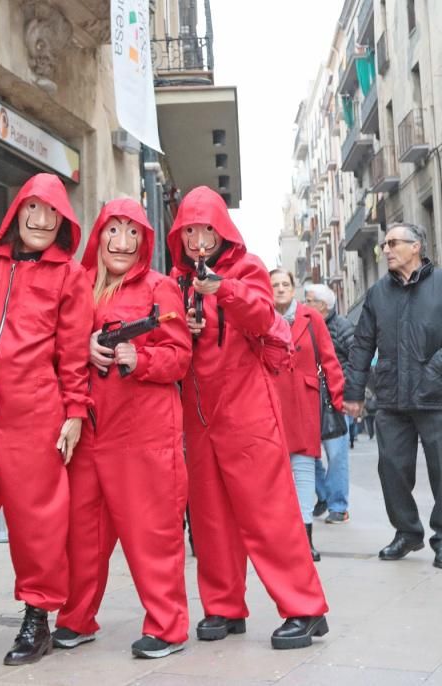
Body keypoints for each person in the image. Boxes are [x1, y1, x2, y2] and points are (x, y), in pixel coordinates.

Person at [168, 186, 329, 650]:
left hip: (247, 407)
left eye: (206, 229)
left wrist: (226, 290)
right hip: (198, 413)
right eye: (190, 231)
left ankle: (305, 607)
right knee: (210, 515)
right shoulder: (176, 281)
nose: (198, 239)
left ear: (222, 231)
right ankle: (223, 605)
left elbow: (263, 319)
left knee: (268, 512)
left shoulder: (247, 269)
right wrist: (187, 324)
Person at [0, 173, 92, 665]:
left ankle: (37, 618)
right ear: (18, 214)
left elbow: (73, 353)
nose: (42, 220)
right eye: (34, 210)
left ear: (62, 222)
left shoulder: (69, 276)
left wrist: (74, 411)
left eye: (52, 213)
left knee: (38, 523)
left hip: (35, 414)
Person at [53, 199, 191, 659]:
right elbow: (56, 342)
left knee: (152, 533)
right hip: (89, 428)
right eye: (114, 230)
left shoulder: (161, 287)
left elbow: (181, 357)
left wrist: (143, 358)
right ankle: (76, 618)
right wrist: (84, 346)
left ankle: (167, 627)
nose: (123, 242)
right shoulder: (79, 284)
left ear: (145, 242)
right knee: (82, 533)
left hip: (145, 434)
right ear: (99, 235)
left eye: (134, 233)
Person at [343, 223, 442, 570]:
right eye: (384, 244)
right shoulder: (377, 293)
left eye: (393, 243)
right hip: (390, 397)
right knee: (392, 470)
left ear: (416, 247)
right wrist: (354, 392)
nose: (385, 249)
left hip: (436, 396)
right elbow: (361, 346)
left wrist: (434, 371)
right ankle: (407, 533)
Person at [271, 270, 345, 562]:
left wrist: (340, 401)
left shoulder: (311, 318)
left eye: (285, 284)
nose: (280, 289)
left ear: (294, 288)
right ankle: (279, 538)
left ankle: (305, 538)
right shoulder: (258, 317)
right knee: (275, 475)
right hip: (270, 405)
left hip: (304, 402)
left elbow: (329, 359)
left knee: (302, 471)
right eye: (274, 284)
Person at [304, 283, 354, 522]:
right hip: (308, 398)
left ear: (323, 306)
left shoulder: (342, 326)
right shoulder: (304, 324)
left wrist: (350, 390)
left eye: (310, 299)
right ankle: (324, 495)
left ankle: (338, 506)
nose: (305, 303)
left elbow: (357, 357)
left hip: (335, 398)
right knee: (305, 454)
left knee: (336, 455)